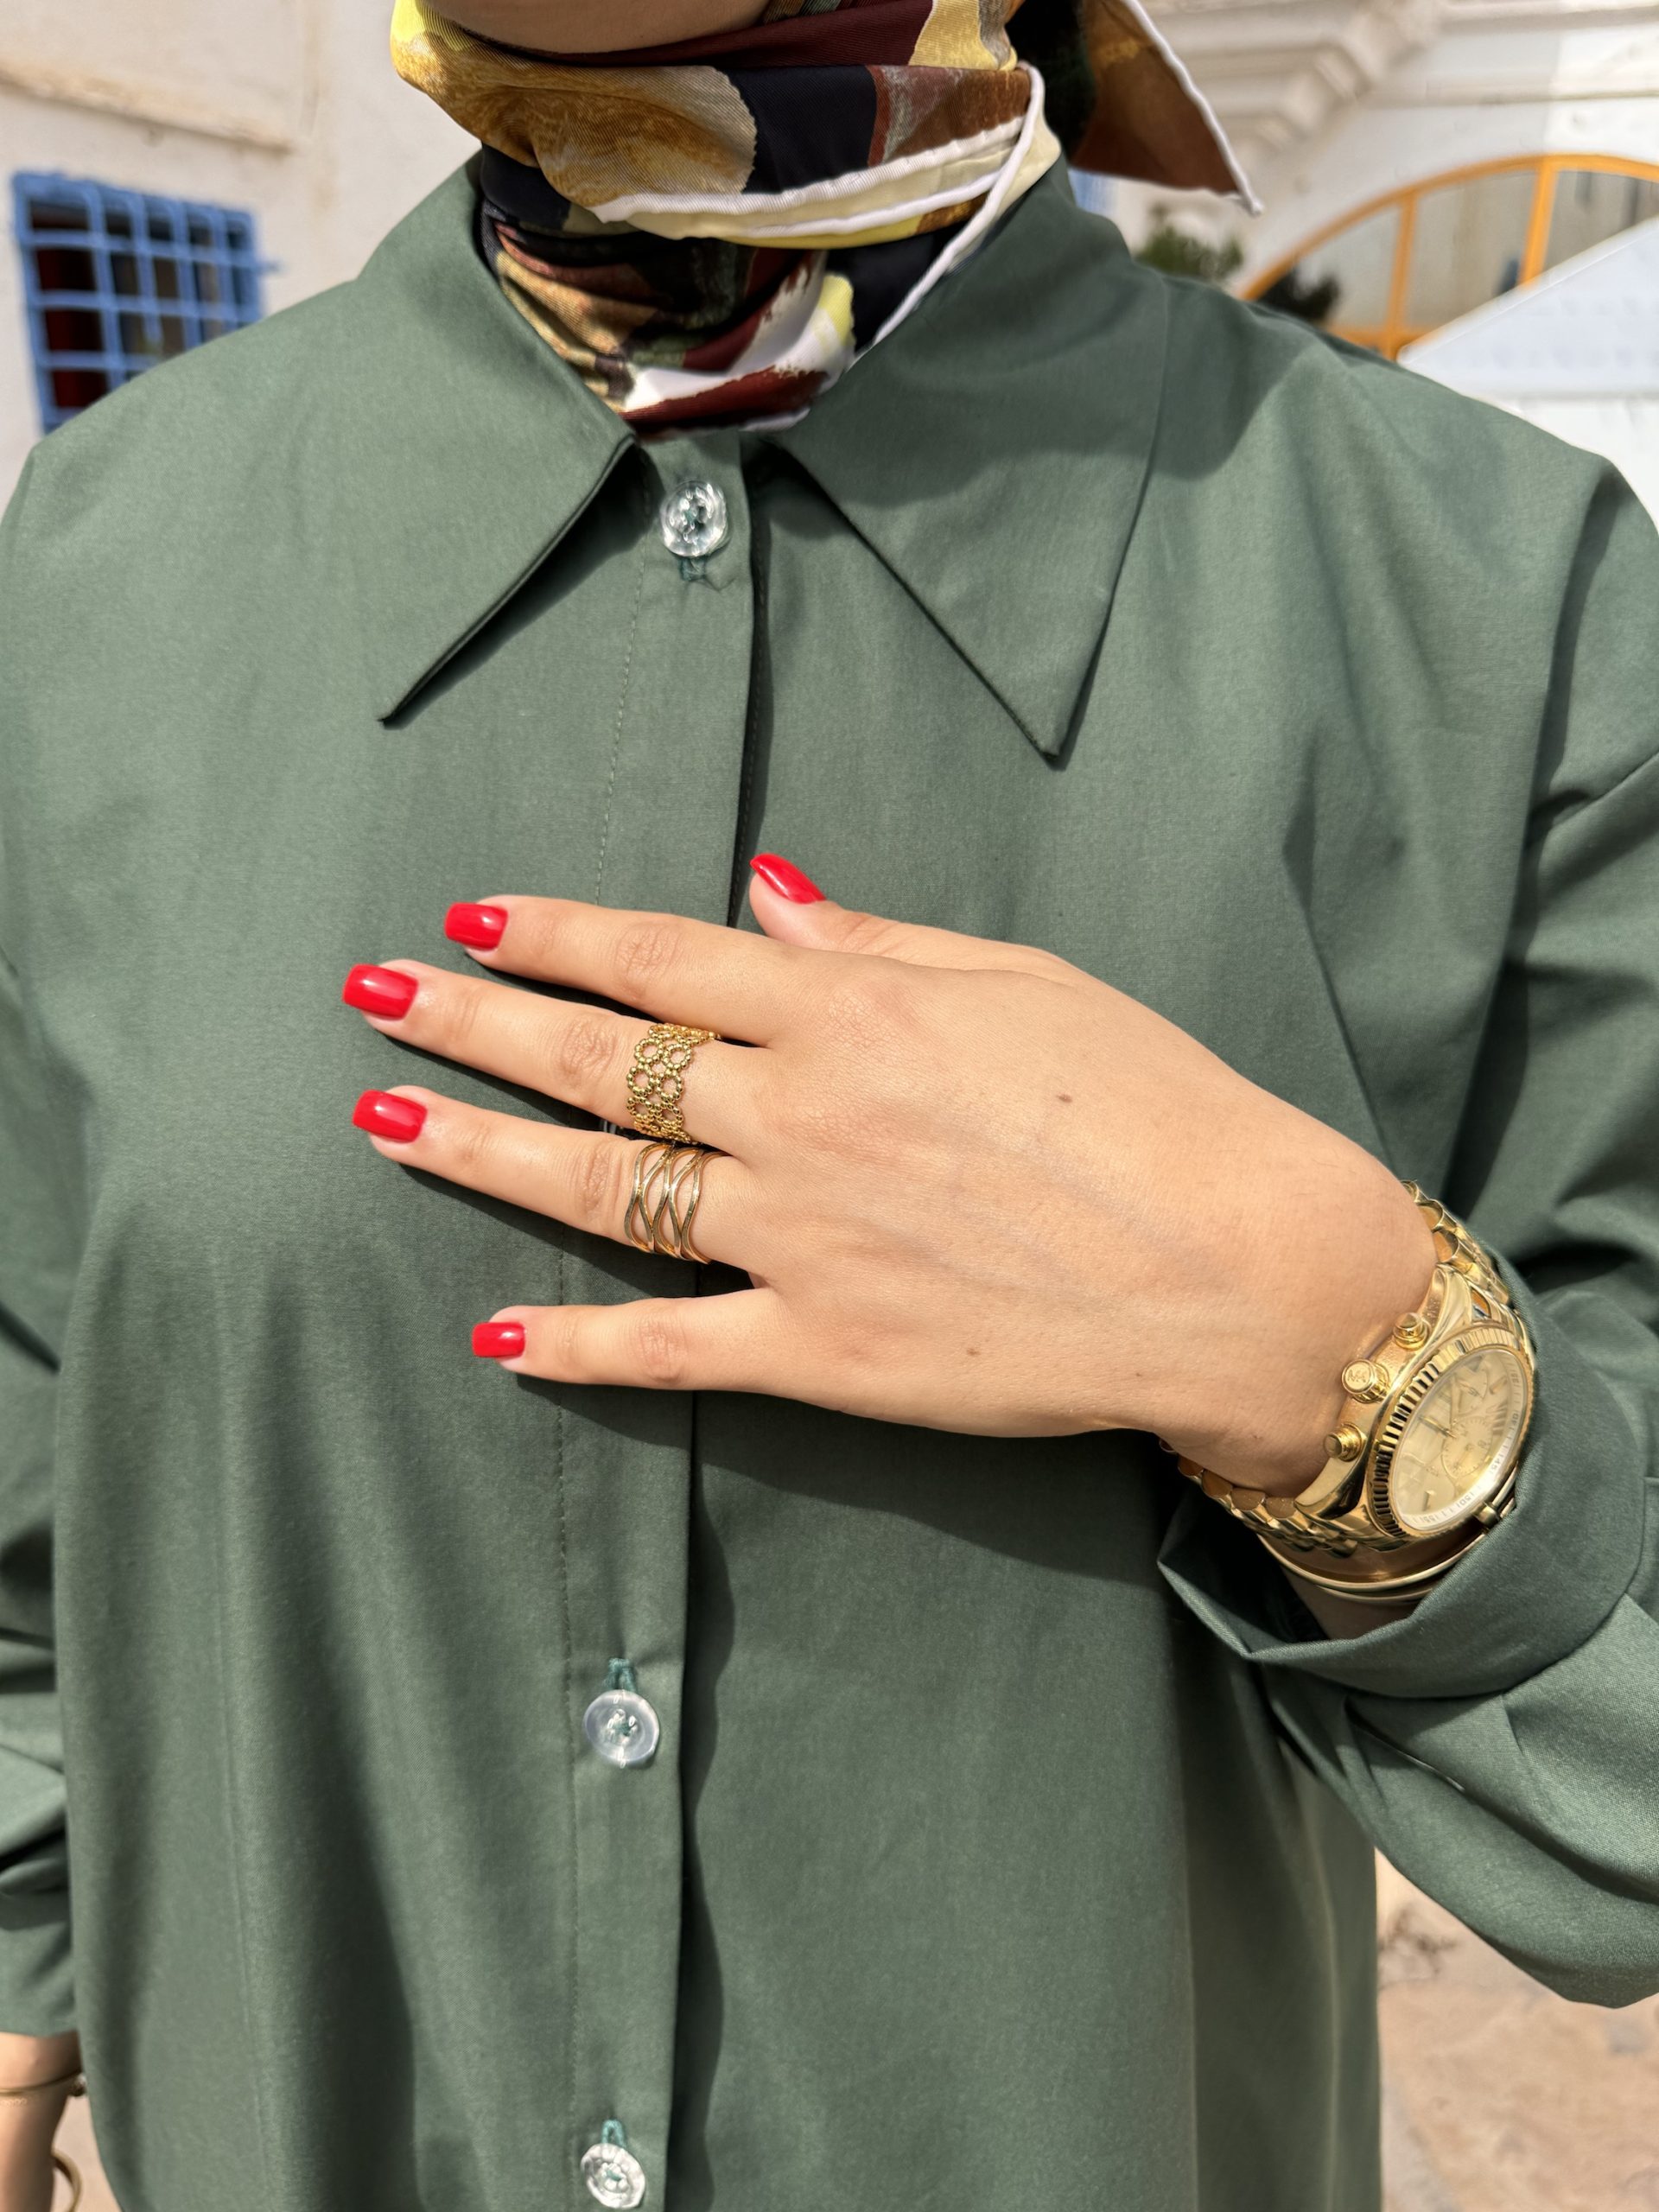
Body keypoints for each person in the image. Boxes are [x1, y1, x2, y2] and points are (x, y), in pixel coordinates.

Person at [1, 0, 1656, 2204]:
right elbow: (39, 1416)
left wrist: (1335, 1343)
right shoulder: (103, 556)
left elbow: (1625, 1809)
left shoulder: (1494, 599)